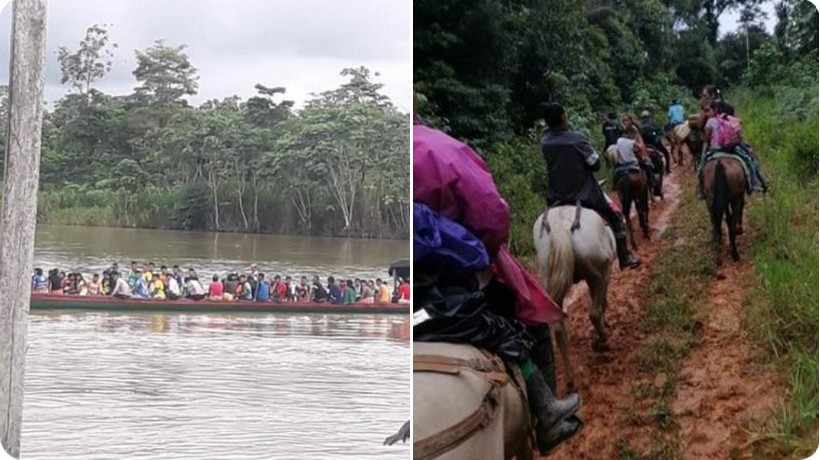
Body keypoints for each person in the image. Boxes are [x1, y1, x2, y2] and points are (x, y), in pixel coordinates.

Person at [415, 114, 581, 453]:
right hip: (446, 279)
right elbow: (491, 215)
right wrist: (482, 250)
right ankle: (547, 414)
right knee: (530, 325)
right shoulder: (441, 147)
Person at [542, 103, 640, 269]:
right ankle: (624, 258)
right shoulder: (577, 138)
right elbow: (595, 164)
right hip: (584, 193)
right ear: (563, 118)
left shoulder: (544, 141)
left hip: (555, 196)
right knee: (615, 216)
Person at [639, 110, 671, 174]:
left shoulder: (640, 125)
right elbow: (659, 132)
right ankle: (668, 169)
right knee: (666, 153)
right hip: (655, 144)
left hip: (644, 145)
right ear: (649, 117)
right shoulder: (653, 123)